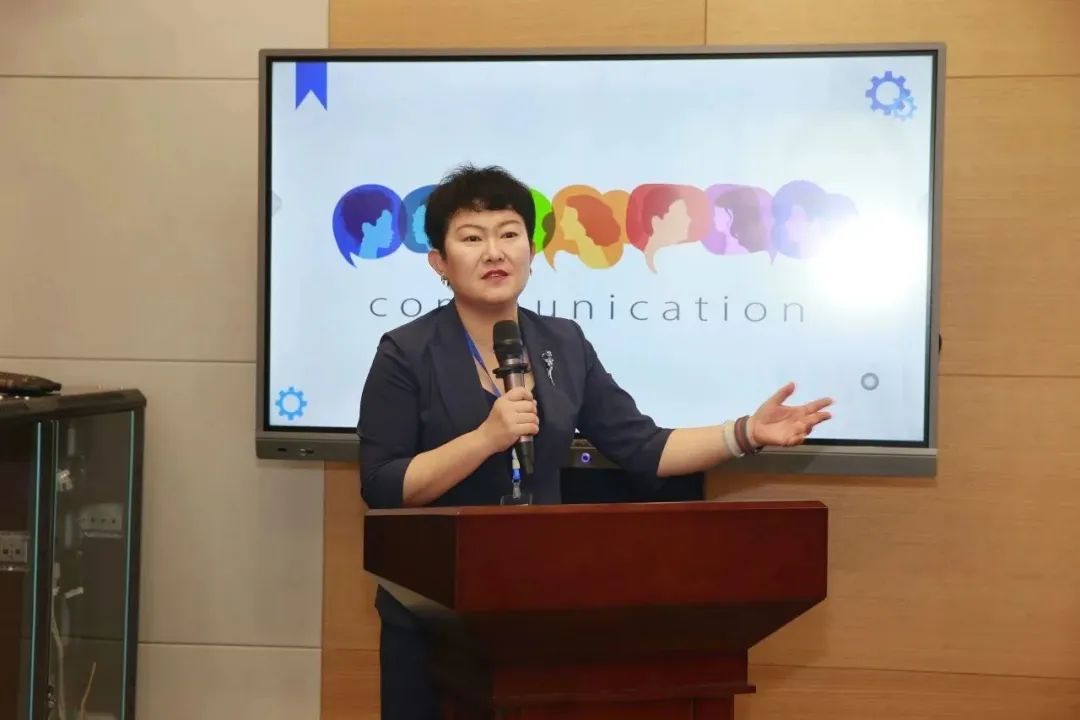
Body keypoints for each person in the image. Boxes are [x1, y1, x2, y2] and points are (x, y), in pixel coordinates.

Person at [357, 164, 833, 720]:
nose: (494, 252)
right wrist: (487, 438)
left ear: (531, 250)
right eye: (472, 238)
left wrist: (746, 433)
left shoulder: (562, 342)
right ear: (439, 262)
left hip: (537, 604)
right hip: (432, 613)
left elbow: (643, 447)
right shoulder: (406, 352)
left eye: (509, 234)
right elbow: (383, 487)